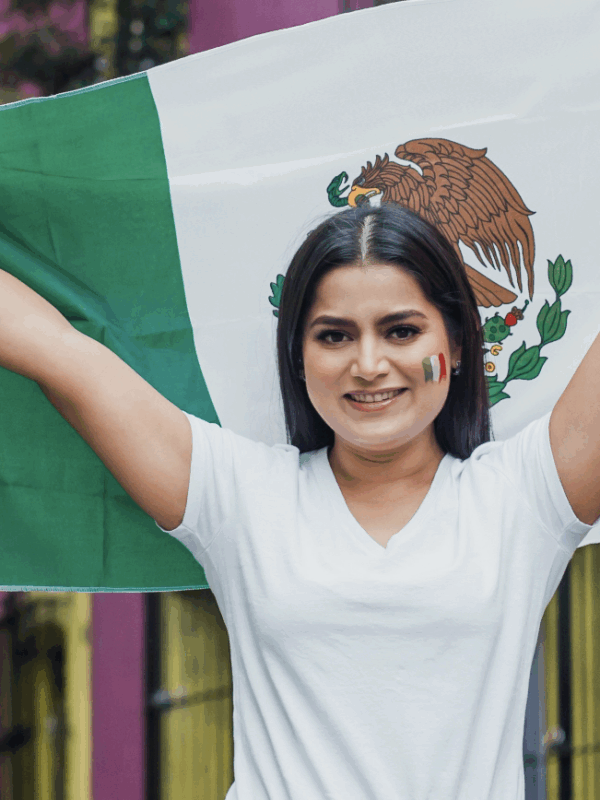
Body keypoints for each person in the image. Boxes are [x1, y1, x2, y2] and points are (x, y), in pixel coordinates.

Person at [0, 202, 598, 800]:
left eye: (401, 331)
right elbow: (61, 352)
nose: (369, 365)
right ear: (298, 356)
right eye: (335, 336)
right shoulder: (239, 496)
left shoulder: (524, 498)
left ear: (460, 344)